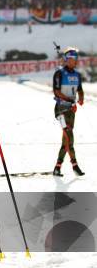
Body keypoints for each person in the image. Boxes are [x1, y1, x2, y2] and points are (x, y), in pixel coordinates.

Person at [52, 47, 84, 176]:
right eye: (71, 59)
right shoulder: (59, 73)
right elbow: (56, 91)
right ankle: (75, 165)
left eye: (76, 59)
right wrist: (70, 100)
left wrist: (81, 98)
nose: (74, 61)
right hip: (61, 110)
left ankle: (57, 167)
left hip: (71, 110)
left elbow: (80, 89)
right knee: (69, 137)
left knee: (66, 139)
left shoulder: (77, 74)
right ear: (66, 59)